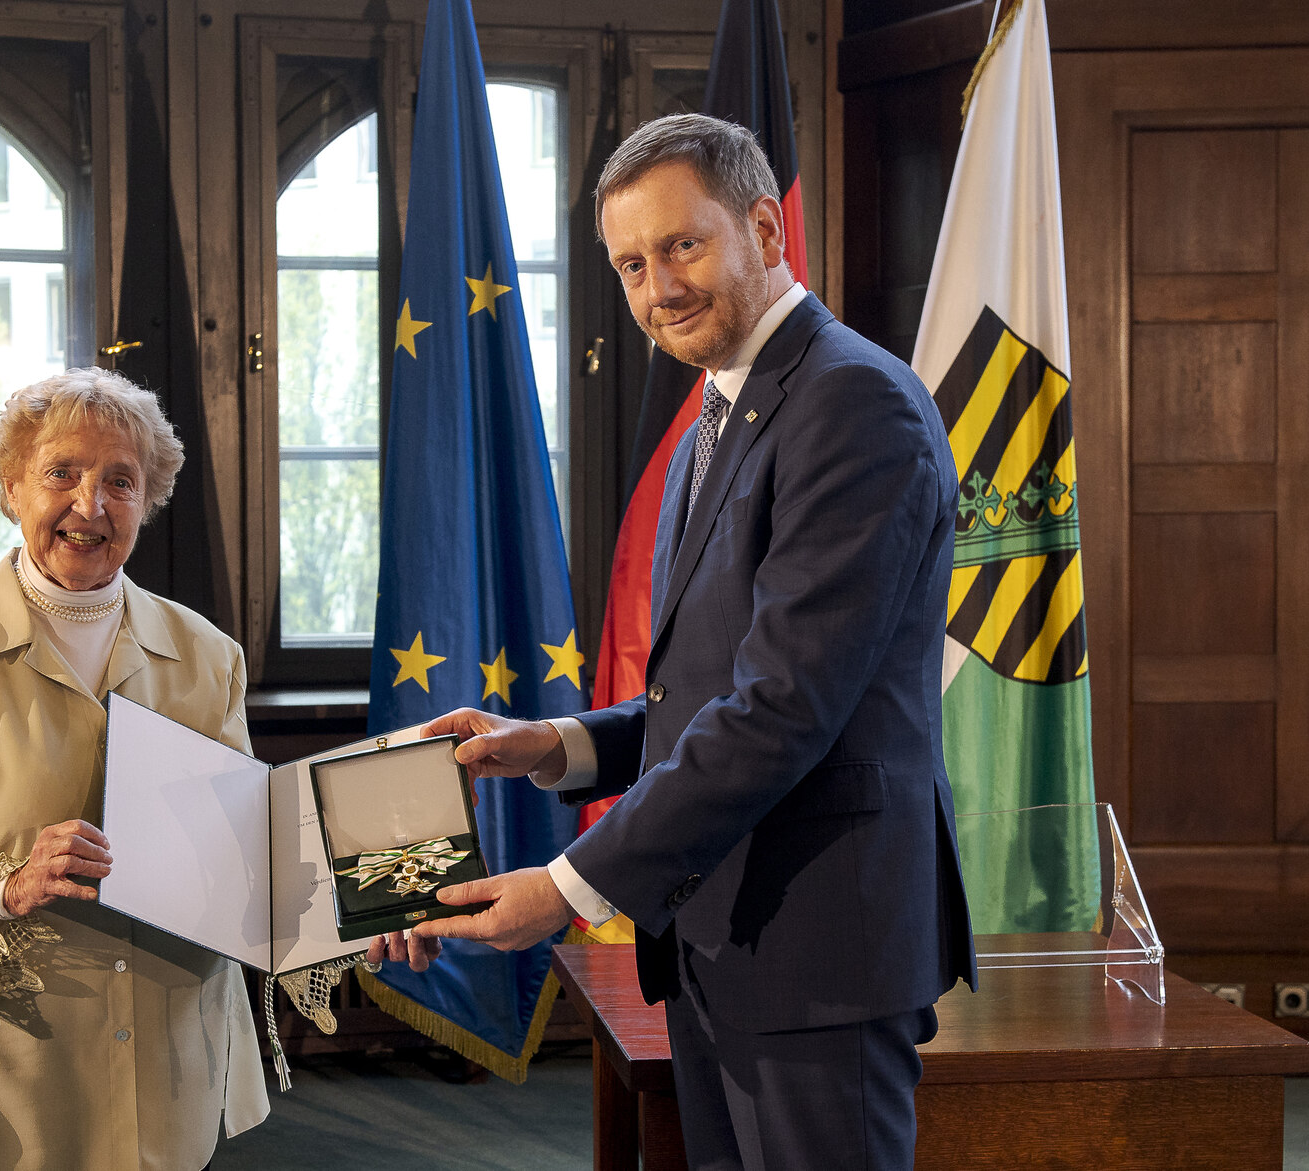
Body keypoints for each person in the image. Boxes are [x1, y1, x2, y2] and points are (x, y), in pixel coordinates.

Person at [414, 113, 977, 1170]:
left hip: (821, 946)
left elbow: (781, 711)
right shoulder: (719, 414)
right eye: (630, 263)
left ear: (764, 228)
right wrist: (557, 743)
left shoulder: (852, 405)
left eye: (680, 245)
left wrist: (569, 886)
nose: (655, 288)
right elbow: (709, 690)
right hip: (724, 934)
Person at [0, 367, 432, 1170]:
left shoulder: (207, 653)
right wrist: (9, 884)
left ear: (147, 499)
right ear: (12, 485)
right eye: (62, 473)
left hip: (166, 1049)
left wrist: (370, 907)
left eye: (119, 480)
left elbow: (247, 856)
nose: (90, 504)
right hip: (8, 1063)